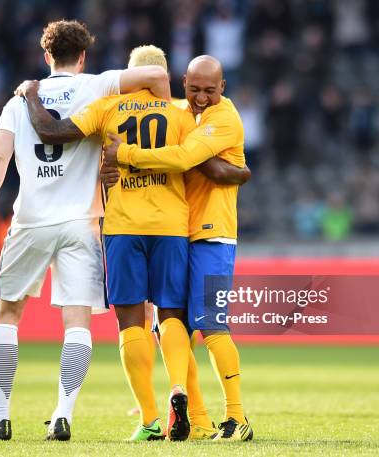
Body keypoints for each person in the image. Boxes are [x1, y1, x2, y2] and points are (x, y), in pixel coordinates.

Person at [0, 20, 172, 442]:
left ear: (47, 57)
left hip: (30, 222)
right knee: (77, 323)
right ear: (83, 57)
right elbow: (155, 74)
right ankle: (63, 414)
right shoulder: (97, 85)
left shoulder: (19, 101)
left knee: (7, 315)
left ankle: (0, 416)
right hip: (82, 223)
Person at [17, 45, 200, 442]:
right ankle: (178, 390)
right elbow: (197, 164)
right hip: (171, 224)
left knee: (130, 322)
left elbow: (52, 131)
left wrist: (31, 93)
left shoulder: (108, 108)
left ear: (130, 75)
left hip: (123, 226)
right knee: (170, 316)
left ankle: (150, 419)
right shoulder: (183, 113)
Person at [104, 55, 253, 441]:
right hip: (180, 234)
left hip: (214, 235)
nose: (201, 97)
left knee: (212, 327)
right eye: (194, 89)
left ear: (223, 88)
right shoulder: (179, 113)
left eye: (210, 90)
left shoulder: (225, 118)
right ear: (183, 83)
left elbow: (188, 157)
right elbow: (208, 164)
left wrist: (126, 156)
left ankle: (238, 418)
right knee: (174, 331)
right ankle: (200, 420)